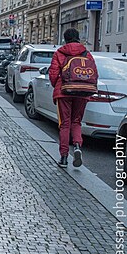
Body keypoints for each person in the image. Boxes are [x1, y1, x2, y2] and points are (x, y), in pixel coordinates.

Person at [48, 28, 97, 168]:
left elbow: (53, 73)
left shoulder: (60, 53)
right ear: (78, 38)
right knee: (76, 121)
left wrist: (56, 85)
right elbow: (94, 73)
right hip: (82, 92)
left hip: (64, 91)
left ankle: (64, 157)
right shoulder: (87, 53)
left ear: (65, 39)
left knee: (65, 124)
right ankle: (77, 146)